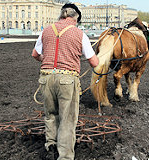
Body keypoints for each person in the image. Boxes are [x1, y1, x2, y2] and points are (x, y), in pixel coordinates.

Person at [32, 3, 99, 160]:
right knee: (67, 119)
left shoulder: (46, 30)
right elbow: (94, 62)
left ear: (61, 16)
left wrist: (46, 60)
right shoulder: (80, 34)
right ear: (75, 19)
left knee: (50, 114)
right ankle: (65, 156)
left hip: (46, 77)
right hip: (67, 80)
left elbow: (35, 54)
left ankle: (50, 146)